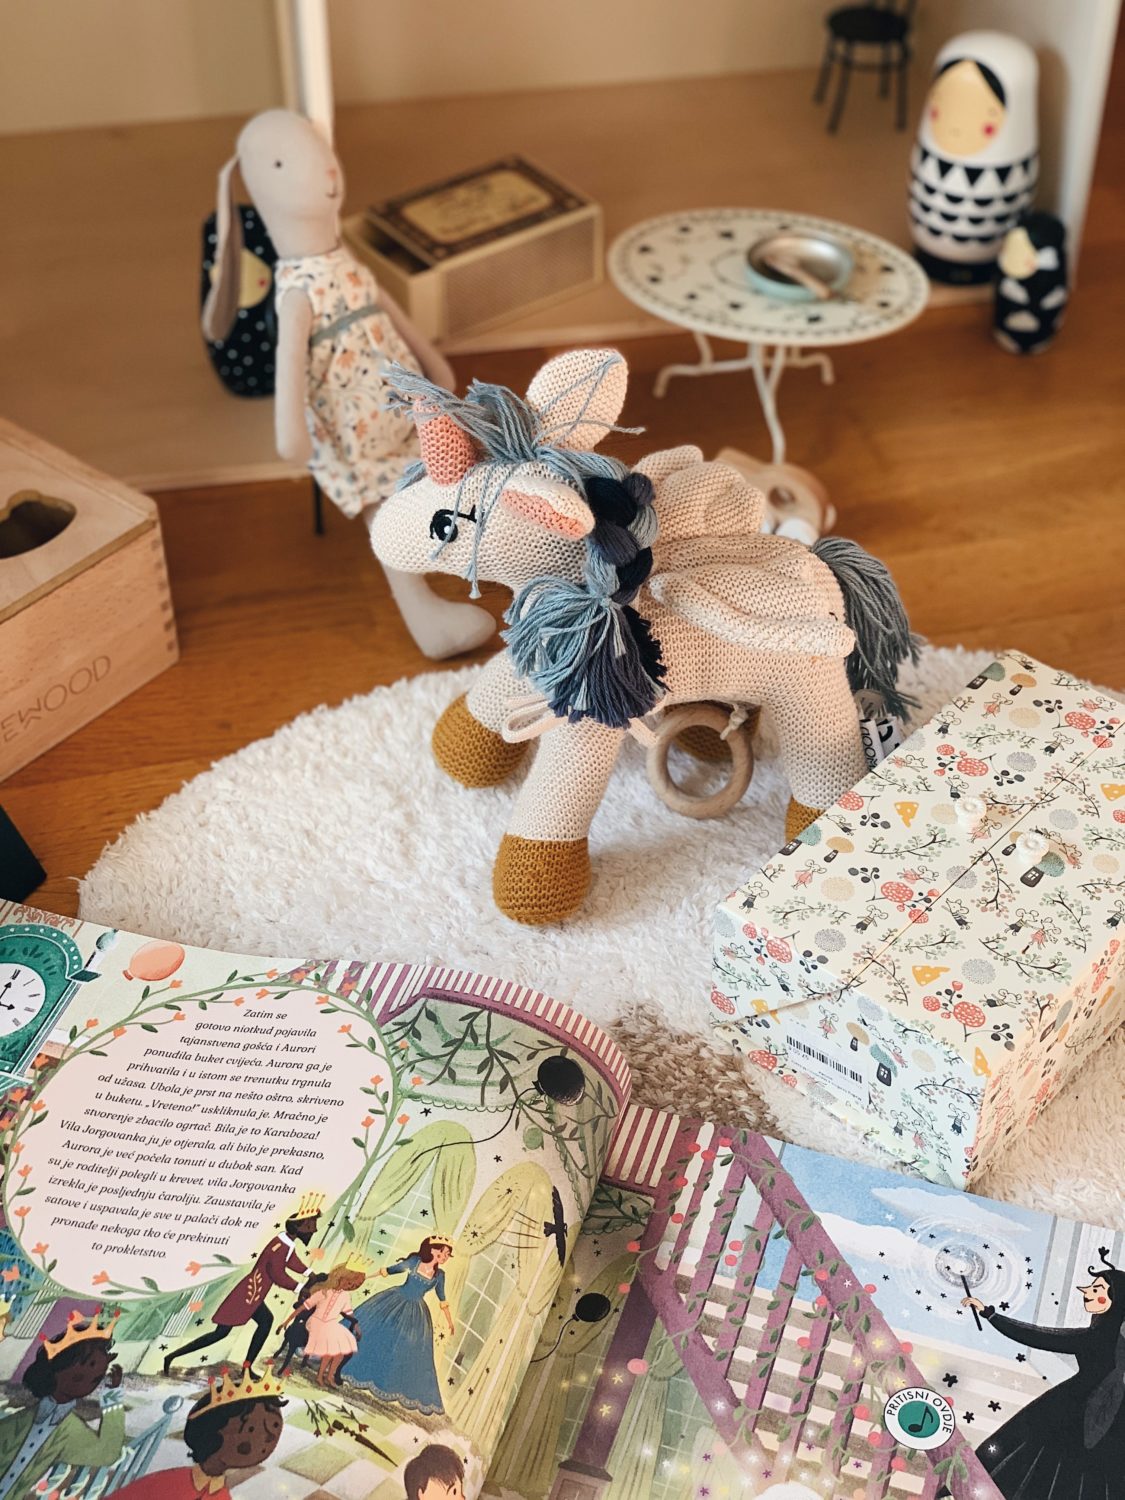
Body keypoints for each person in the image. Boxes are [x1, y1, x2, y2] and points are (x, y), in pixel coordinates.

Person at [962, 1249, 1125, 1499]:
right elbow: (1040, 1336)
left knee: (1042, 1451)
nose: (1087, 1293)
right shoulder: (1101, 1337)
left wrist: (991, 1315)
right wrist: (991, 1315)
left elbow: (1038, 1336)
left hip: (1077, 1409)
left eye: (1097, 1289)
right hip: (1089, 1410)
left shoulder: (1095, 1338)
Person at [164, 1202, 321, 1377]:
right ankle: (171, 1356)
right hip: (246, 1296)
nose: (313, 1230)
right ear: (298, 1227)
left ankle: (246, 1368)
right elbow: (276, 1272)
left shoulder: (286, 1243)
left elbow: (290, 1260)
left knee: (265, 1321)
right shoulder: (280, 1245)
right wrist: (299, 1287)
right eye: (310, 1226)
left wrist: (309, 1273)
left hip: (254, 1296)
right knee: (220, 1333)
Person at [0, 1310, 126, 1500]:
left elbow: (107, 1453)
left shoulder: (70, 1430)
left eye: (95, 1380)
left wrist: (113, 1396)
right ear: (56, 1369)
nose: (85, 1384)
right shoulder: (18, 1421)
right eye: (78, 1377)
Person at [113, 1367, 286, 1499]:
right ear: (214, 1433)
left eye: (275, 1425)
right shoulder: (169, 1483)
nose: (270, 1437)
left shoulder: (221, 1495)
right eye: (250, 1429)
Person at [347, 1236, 455, 1415]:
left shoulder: (440, 1275)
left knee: (407, 1349)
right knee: (375, 1331)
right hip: (395, 1300)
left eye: (447, 1255)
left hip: (416, 1312)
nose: (445, 1257)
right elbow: (391, 1270)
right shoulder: (414, 1262)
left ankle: (386, 1383)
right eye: (443, 1252)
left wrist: (450, 1321)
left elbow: (442, 1298)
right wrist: (365, 1277)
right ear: (433, 1249)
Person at [277, 1263, 367, 1387]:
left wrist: (356, 1325)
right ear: (340, 1277)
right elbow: (304, 1307)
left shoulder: (345, 1296)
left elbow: (348, 1312)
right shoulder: (324, 1292)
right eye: (349, 1282)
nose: (350, 1286)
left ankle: (329, 1376)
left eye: (354, 1286)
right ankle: (320, 1376)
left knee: (341, 1349)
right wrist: (287, 1321)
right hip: (315, 1322)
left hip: (330, 1324)